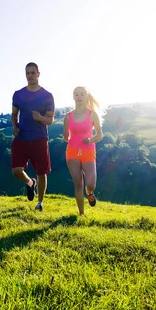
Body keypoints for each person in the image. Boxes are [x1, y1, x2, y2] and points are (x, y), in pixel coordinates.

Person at [11, 62, 55, 211]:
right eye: (27, 73)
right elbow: (14, 115)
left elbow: (50, 120)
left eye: (32, 73)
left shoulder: (47, 96)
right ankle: (30, 183)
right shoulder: (18, 94)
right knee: (16, 170)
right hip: (21, 138)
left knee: (41, 172)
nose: (30, 76)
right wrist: (15, 126)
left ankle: (40, 203)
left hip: (39, 138)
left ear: (38, 74)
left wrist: (40, 118)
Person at [63, 86, 104, 215]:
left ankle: (89, 192)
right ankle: (81, 213)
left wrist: (90, 140)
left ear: (86, 96)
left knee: (91, 183)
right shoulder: (68, 117)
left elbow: (100, 135)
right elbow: (65, 137)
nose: (79, 97)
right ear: (73, 96)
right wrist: (66, 136)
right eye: (76, 94)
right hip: (72, 151)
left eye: (82, 94)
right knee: (78, 183)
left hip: (88, 151)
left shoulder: (92, 114)